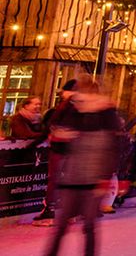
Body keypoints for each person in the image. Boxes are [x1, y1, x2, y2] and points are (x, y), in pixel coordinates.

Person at [42, 75, 126, 256]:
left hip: (91, 178)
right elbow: (57, 139)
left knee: (83, 225)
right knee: (70, 225)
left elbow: (113, 147)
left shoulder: (105, 113)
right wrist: (61, 137)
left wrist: (105, 177)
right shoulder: (74, 111)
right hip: (75, 176)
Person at [33, 78, 78, 226]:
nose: (62, 94)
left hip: (60, 148)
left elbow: (51, 126)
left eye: (64, 91)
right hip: (74, 149)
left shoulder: (65, 106)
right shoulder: (82, 106)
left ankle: (49, 212)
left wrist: (34, 144)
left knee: (54, 180)